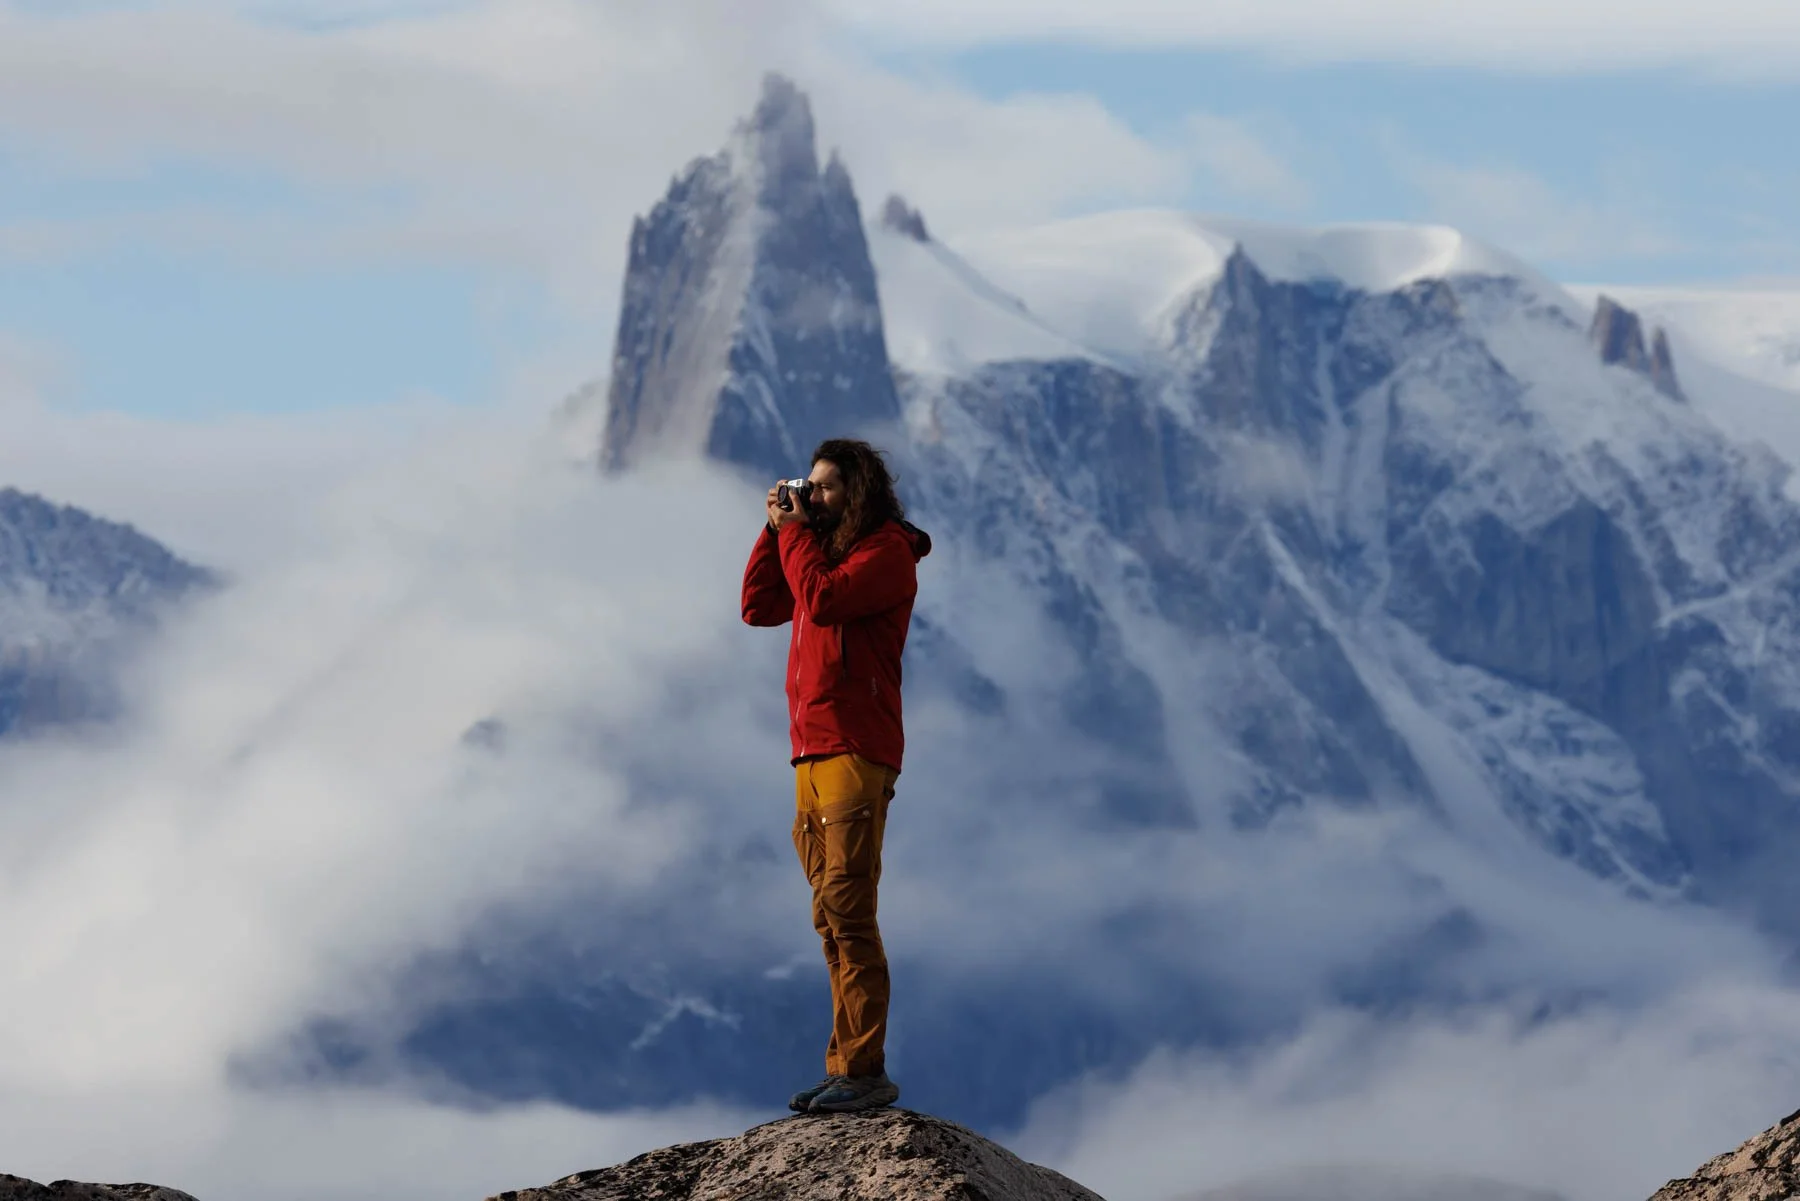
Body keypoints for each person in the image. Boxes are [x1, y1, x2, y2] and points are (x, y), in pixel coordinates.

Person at [741, 438, 932, 1114]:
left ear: (860, 489)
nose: (812, 498)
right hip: (812, 750)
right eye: (808, 488)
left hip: (855, 747)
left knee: (850, 910)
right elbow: (761, 606)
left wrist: (794, 534)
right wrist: (775, 533)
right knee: (829, 914)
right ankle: (845, 1064)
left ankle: (865, 1069)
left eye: (824, 488)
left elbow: (819, 602)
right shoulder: (823, 553)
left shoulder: (886, 554)